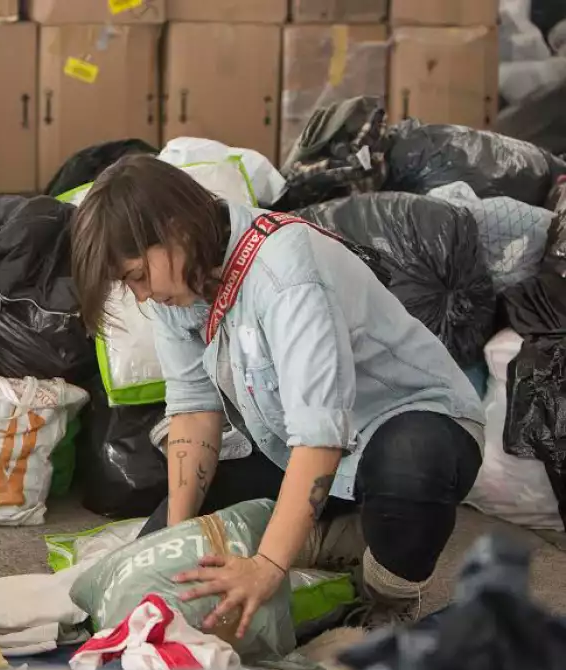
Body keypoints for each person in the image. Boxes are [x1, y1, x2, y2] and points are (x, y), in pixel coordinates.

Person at [70, 155, 484, 633]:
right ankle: (339, 536)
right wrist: (174, 536)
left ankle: (385, 595)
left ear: (176, 228)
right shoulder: (182, 284)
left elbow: (320, 434)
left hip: (407, 428)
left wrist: (267, 566)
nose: (141, 295)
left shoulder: (286, 275)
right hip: (298, 451)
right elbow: (193, 411)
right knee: (171, 554)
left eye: (138, 276)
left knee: (411, 466)